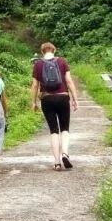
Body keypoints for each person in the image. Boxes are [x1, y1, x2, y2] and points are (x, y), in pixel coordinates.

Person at [30, 42, 80, 171]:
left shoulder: (38, 64)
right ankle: (65, 153)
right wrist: (75, 98)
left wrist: (34, 101)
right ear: (54, 50)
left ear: (42, 52)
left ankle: (57, 162)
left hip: (47, 99)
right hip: (63, 97)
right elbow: (68, 80)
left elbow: (35, 85)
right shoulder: (62, 61)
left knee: (53, 130)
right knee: (65, 129)